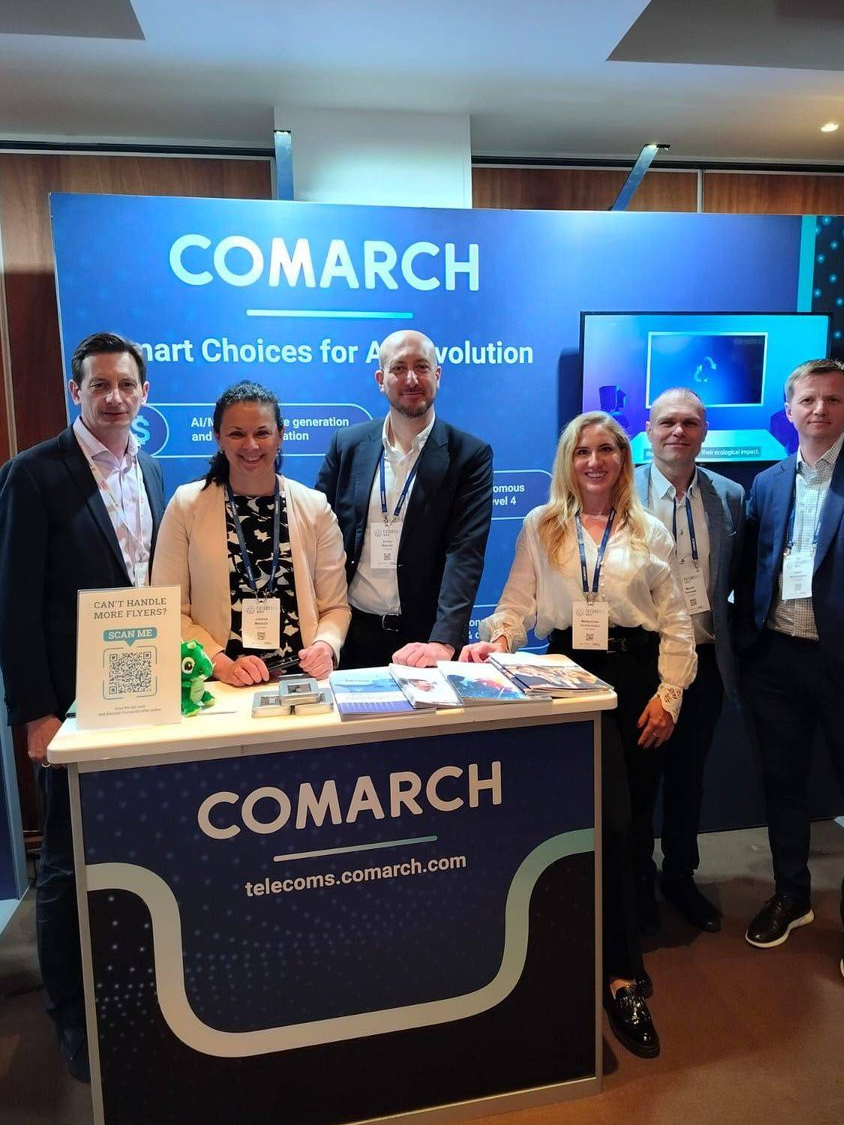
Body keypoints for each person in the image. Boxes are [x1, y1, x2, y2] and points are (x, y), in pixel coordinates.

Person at [461, 411, 696, 1059]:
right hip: (567, 677)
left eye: (606, 450)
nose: (594, 461)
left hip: (637, 681)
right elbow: (517, 605)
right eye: (582, 450)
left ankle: (618, 959)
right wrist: (498, 639)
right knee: (596, 826)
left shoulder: (649, 531)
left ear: (623, 459)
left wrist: (669, 695)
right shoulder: (543, 525)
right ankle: (609, 970)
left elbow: (677, 622)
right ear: (568, 460)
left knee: (626, 824)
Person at [0, 332, 166, 1082]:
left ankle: (133, 998)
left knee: (135, 851)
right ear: (76, 391)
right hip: (69, 712)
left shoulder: (152, 471)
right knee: (66, 867)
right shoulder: (32, 475)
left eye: (125, 385)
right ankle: (71, 1018)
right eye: (99, 385)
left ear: (143, 392)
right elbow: (13, 607)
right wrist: (35, 715)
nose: (113, 397)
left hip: (144, 702)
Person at [738, 359, 844, 989]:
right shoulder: (768, 481)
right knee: (783, 787)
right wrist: (749, 646)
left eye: (833, 400)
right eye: (808, 400)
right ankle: (792, 896)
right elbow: (753, 568)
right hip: (778, 662)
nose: (820, 410)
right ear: (789, 408)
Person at [634, 388, 745, 932]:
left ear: (704, 432)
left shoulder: (730, 495)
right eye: (667, 422)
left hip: (704, 661)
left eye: (690, 423)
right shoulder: (621, 488)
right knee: (637, 782)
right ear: (648, 431)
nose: (678, 432)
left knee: (688, 779)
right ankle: (636, 885)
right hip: (641, 662)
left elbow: (737, 578)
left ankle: (680, 876)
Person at [152, 382, 349, 685]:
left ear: (280, 435)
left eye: (262, 433)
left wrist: (325, 647)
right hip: (221, 685)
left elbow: (335, 607)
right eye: (236, 434)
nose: (251, 445)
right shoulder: (186, 506)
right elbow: (168, 610)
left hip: (301, 680)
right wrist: (220, 664)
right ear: (218, 437)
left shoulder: (315, 507)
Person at [316, 329, 492, 668]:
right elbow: (318, 537)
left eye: (422, 367)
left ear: (437, 375)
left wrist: (443, 641)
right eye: (398, 368)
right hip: (351, 635)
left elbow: (464, 553)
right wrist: (324, 634)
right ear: (381, 380)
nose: (411, 379)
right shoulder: (347, 445)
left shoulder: (469, 456)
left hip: (427, 642)